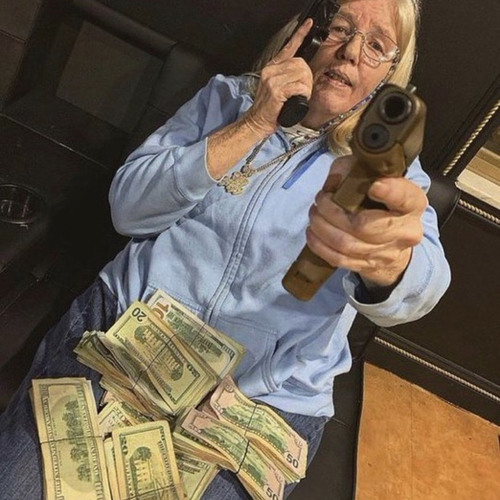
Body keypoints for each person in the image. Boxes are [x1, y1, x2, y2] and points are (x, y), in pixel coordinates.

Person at [0, 0, 450, 498]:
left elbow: (424, 281)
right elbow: (128, 208)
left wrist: (392, 264)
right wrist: (255, 123)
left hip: (262, 392)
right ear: (309, 33)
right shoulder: (225, 99)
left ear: (390, 73)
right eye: (340, 28)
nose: (350, 52)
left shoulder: (387, 165)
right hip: (124, 330)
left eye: (376, 45)